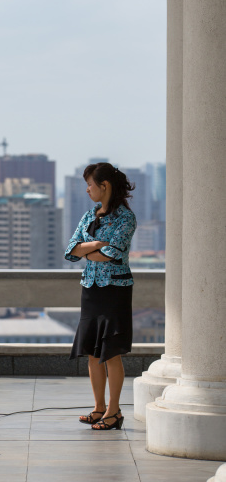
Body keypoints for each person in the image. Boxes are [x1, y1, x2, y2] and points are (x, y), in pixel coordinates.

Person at [64, 162, 137, 431]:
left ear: (104, 186)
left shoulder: (125, 218)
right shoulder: (90, 214)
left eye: (90, 184)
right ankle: (98, 408)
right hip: (91, 288)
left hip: (115, 290)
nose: (87, 190)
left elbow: (112, 254)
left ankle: (114, 411)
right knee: (93, 353)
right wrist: (94, 245)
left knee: (111, 352)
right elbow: (71, 250)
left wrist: (89, 250)